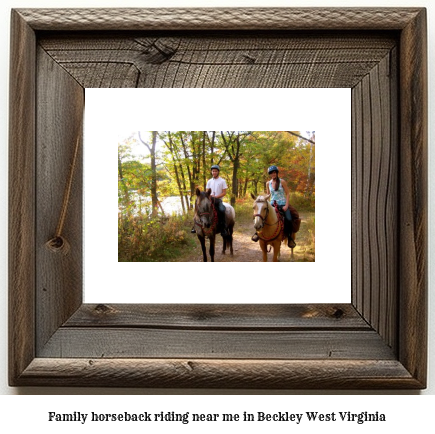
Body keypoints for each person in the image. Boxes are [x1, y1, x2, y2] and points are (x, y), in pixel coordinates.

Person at [252, 165, 296, 248]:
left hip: (282, 204)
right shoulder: (268, 183)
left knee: (289, 219)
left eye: (274, 172)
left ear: (277, 173)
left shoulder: (282, 182)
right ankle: (258, 233)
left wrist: (286, 205)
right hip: (272, 204)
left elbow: (287, 193)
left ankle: (290, 238)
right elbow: (268, 195)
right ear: (270, 174)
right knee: (261, 216)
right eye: (271, 173)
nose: (273, 174)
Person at [191, 164, 228, 237]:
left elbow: (224, 193)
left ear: (218, 172)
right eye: (213, 171)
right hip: (209, 200)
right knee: (199, 209)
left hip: (218, 200)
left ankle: (223, 228)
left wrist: (216, 196)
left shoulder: (222, 181)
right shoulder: (209, 181)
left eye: (215, 171)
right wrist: (208, 197)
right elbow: (207, 192)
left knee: (222, 210)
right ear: (211, 172)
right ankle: (195, 226)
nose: (214, 172)